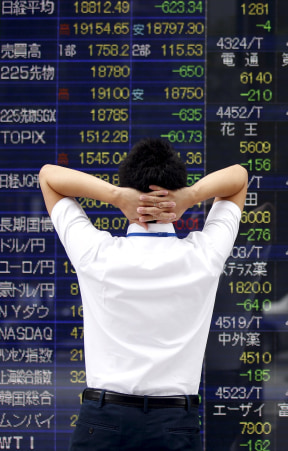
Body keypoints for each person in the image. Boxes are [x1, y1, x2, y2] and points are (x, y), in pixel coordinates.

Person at [39, 138, 248, 451]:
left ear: (128, 193)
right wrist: (189, 197)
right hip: (174, 423)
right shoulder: (204, 256)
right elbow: (238, 177)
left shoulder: (96, 254)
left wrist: (115, 196)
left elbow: (48, 177)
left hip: (103, 419)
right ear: (176, 188)